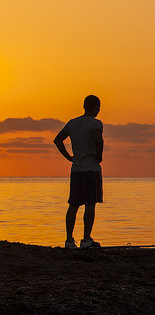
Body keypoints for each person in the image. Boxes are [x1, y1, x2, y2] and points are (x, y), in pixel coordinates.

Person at [53, 95, 105, 249]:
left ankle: (69, 240)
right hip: (91, 168)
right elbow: (99, 140)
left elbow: (57, 140)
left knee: (73, 204)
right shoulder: (96, 123)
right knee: (90, 204)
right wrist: (99, 156)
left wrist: (69, 157)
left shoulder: (72, 123)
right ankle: (86, 239)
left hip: (76, 169)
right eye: (99, 107)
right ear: (95, 106)